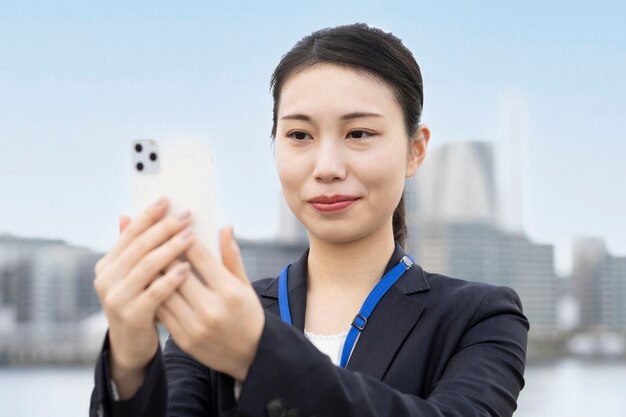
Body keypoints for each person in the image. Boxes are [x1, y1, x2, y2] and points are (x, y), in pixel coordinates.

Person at [90, 23, 529, 417]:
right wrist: (129, 360)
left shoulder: (480, 317)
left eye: (359, 133)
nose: (327, 166)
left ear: (415, 150)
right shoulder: (219, 314)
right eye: (299, 135)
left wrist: (256, 354)